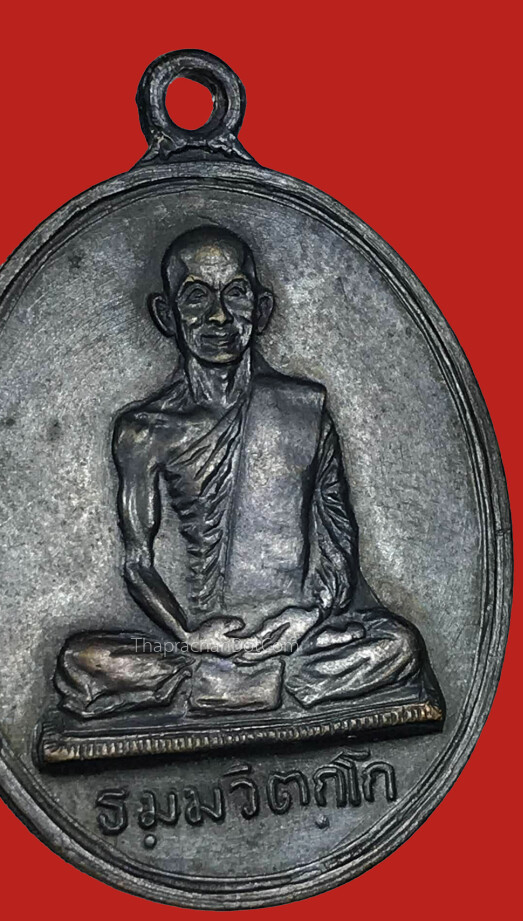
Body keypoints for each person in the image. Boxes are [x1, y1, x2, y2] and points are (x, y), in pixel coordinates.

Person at [55, 226, 426, 719]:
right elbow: (137, 562)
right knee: (82, 660)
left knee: (398, 644)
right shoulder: (145, 431)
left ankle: (226, 685)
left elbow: (338, 542)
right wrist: (190, 634)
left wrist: (309, 616)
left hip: (293, 638)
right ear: (166, 315)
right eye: (196, 297)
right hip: (192, 645)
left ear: (262, 309)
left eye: (235, 294)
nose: (218, 316)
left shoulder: (303, 409)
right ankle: (258, 684)